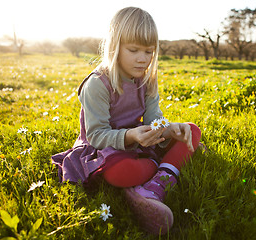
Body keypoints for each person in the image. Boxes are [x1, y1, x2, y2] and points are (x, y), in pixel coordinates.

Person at [51, 6, 201, 235]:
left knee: (191, 130)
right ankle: (159, 170)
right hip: (106, 147)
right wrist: (131, 136)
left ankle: (155, 184)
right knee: (121, 170)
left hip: (140, 139)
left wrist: (170, 129)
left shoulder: (147, 80)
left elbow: (154, 121)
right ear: (115, 47)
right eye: (133, 50)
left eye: (149, 52)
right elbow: (96, 135)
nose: (143, 59)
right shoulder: (98, 84)